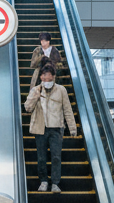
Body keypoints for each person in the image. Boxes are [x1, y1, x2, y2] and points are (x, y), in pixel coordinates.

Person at [24, 64, 77, 193]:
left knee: (56, 157)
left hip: (56, 128)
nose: (46, 81)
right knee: (41, 157)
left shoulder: (61, 90)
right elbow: (27, 108)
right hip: (40, 128)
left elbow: (67, 109)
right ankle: (43, 181)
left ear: (53, 77)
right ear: (40, 77)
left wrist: (72, 128)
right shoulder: (35, 90)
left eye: (49, 78)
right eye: (44, 78)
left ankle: (55, 183)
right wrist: (36, 95)